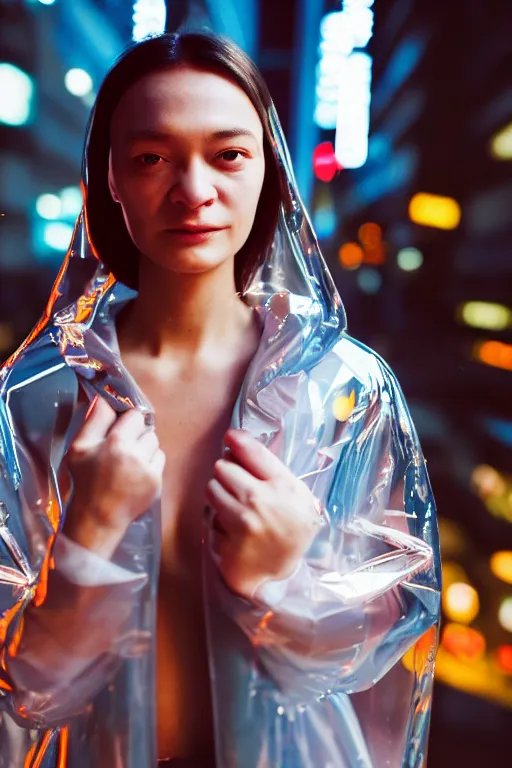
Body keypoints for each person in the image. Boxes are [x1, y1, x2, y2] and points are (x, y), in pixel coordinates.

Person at [0, 32, 441, 768]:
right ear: (108, 177)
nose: (193, 191)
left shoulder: (344, 390)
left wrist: (281, 573)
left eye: (228, 154)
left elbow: (382, 659)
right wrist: (86, 538)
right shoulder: (38, 394)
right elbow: (23, 687)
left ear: (269, 172)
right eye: (152, 158)